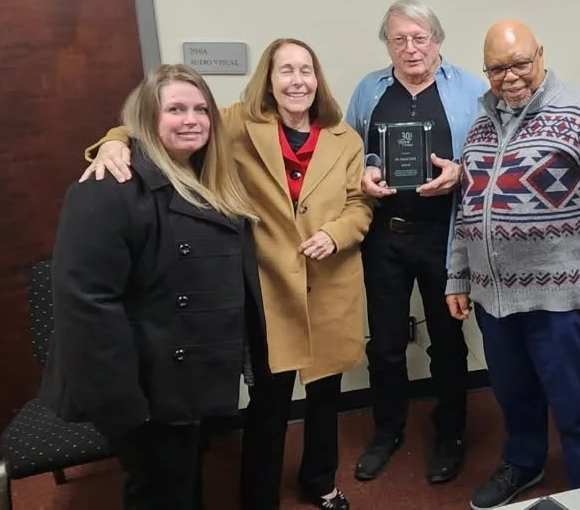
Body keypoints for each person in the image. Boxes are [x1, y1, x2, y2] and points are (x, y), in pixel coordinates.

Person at [82, 39, 371, 510]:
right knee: (270, 403)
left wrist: (336, 233)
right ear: (269, 80)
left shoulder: (345, 137)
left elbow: (359, 203)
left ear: (317, 79)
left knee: (325, 397)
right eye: (286, 70)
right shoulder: (236, 124)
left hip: (330, 283)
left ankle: (320, 479)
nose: (297, 81)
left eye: (306, 70)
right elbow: (167, 123)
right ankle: (258, 497)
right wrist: (114, 140)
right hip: (269, 288)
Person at [42, 63, 260, 510]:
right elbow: (86, 304)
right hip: (144, 386)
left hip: (188, 377)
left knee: (181, 483)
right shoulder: (109, 187)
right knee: (160, 492)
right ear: (146, 118)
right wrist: (123, 405)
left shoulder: (207, 177)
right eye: (175, 109)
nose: (191, 120)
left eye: (201, 109)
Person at [446, 20, 580, 509]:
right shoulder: (481, 125)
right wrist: (458, 275)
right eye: (497, 69)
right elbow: (468, 208)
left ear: (541, 56)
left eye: (520, 64)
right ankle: (524, 462)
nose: (510, 77)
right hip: (494, 300)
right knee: (514, 397)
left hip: (564, 302)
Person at [344, 0, 485, 484]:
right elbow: (350, 152)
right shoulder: (369, 90)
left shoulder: (471, 88)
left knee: (446, 342)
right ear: (387, 44)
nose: (410, 48)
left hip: (445, 236)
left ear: (437, 40)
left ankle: (451, 434)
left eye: (419, 38)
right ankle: (387, 430)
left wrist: (461, 172)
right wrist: (364, 171)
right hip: (386, 236)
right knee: (385, 345)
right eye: (398, 39)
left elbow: (494, 153)